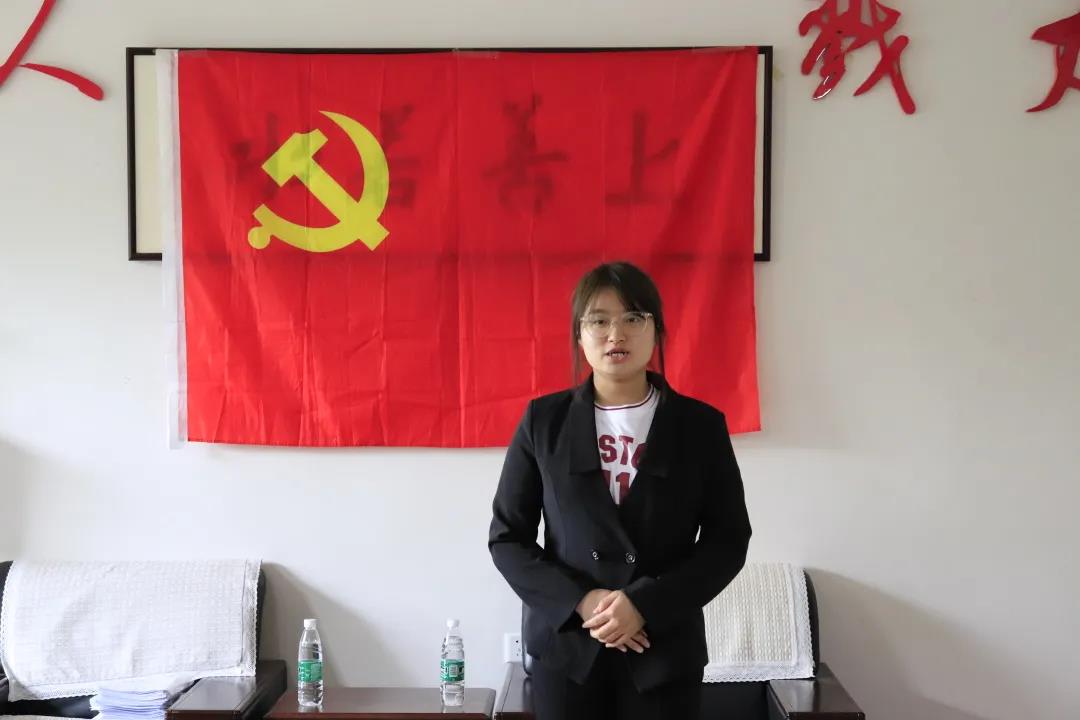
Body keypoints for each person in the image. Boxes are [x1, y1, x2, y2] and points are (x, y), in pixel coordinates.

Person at [488, 261, 752, 720]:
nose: (616, 334)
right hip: (568, 653)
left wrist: (644, 604)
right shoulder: (543, 423)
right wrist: (583, 601)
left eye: (633, 318)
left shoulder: (700, 426)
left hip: (663, 651)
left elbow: (727, 541)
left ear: (657, 330)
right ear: (580, 334)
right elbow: (507, 538)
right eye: (599, 320)